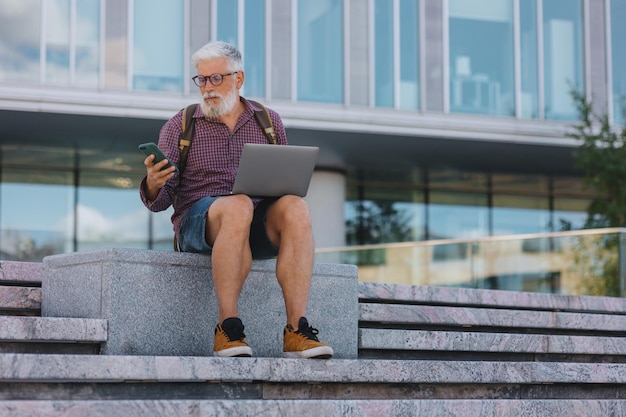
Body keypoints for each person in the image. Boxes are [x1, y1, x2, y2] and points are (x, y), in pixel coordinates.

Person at [139, 41, 333, 359]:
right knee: (238, 204)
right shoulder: (181, 124)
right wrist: (152, 183)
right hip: (198, 226)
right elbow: (159, 203)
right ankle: (227, 328)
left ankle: (297, 330)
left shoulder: (268, 122)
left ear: (238, 79)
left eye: (216, 78)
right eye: (201, 79)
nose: (208, 87)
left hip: (254, 223)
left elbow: (286, 183)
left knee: (296, 206)